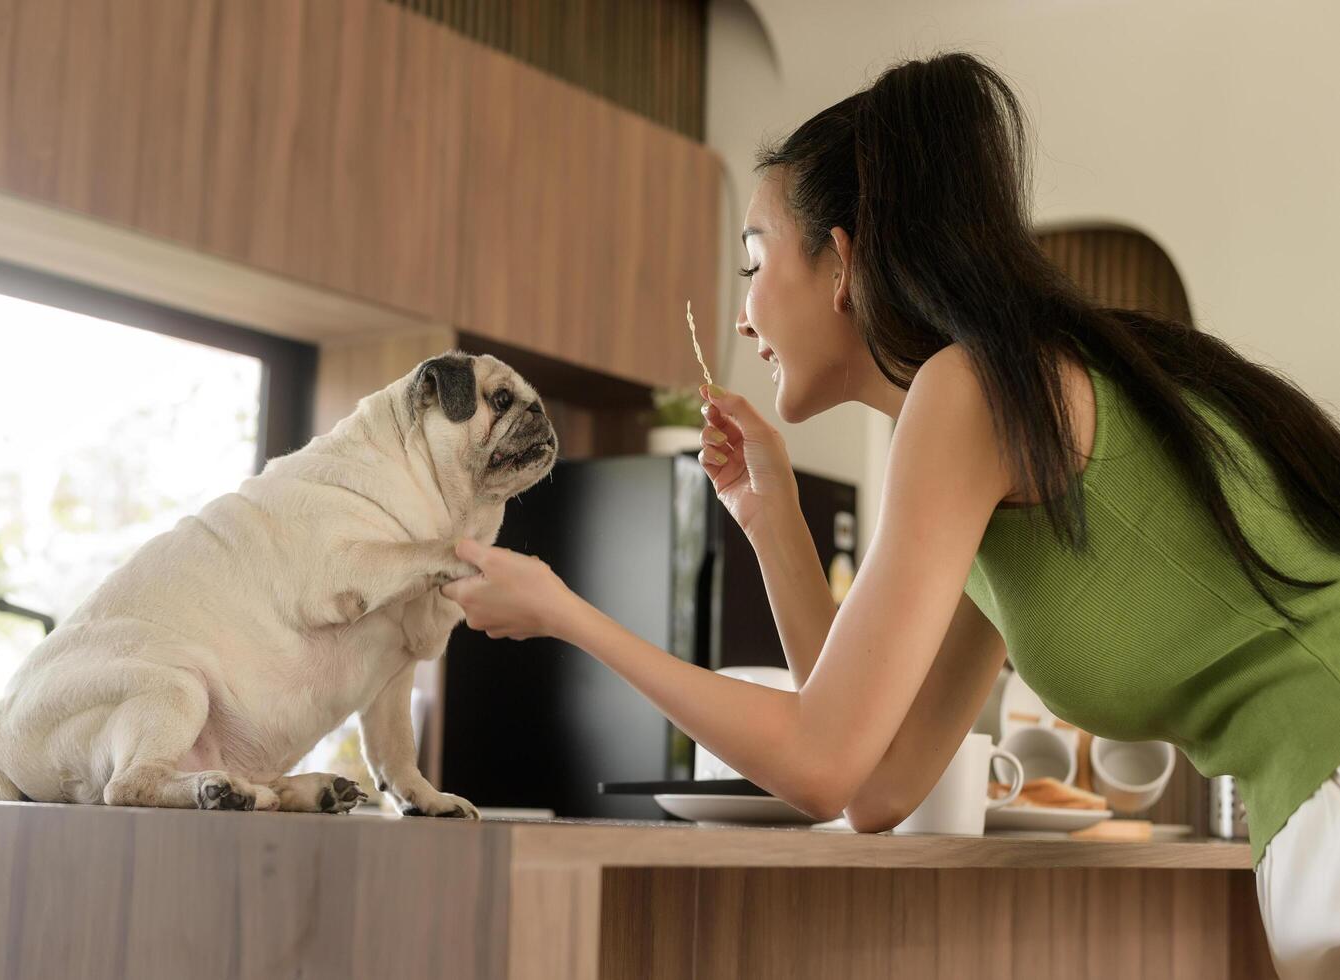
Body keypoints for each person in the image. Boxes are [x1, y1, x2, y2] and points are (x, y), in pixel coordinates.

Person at [439, 51, 1340, 978]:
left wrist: (565, 615)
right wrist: (772, 521)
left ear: (843, 261)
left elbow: (820, 761)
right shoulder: (1004, 426)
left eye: (752, 259)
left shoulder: (973, 389)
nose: (743, 319)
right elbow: (875, 781)